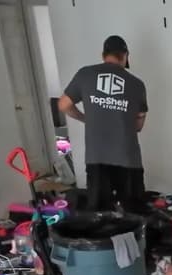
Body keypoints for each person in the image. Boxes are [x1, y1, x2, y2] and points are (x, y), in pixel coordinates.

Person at [59, 35, 148, 214]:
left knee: (100, 215)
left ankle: (106, 242)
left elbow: (63, 105)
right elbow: (138, 125)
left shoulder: (85, 74)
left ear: (103, 55)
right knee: (134, 212)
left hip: (97, 157)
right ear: (125, 55)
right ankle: (132, 241)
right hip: (128, 158)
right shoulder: (137, 84)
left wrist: (85, 118)